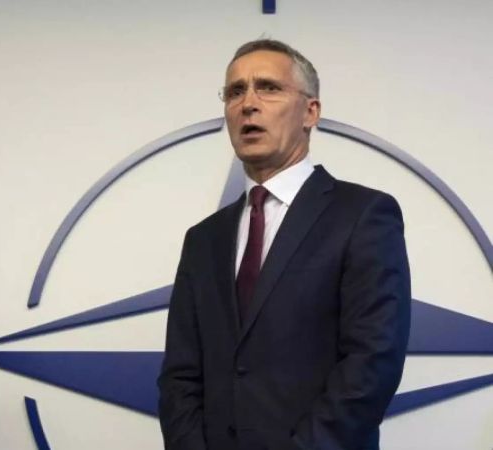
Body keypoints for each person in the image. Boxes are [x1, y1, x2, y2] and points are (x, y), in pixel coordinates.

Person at [158, 39, 411, 450]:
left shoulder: (364, 216)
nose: (248, 104)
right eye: (235, 91)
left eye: (268, 88)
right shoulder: (203, 240)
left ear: (310, 111)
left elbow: (372, 364)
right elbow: (180, 376)